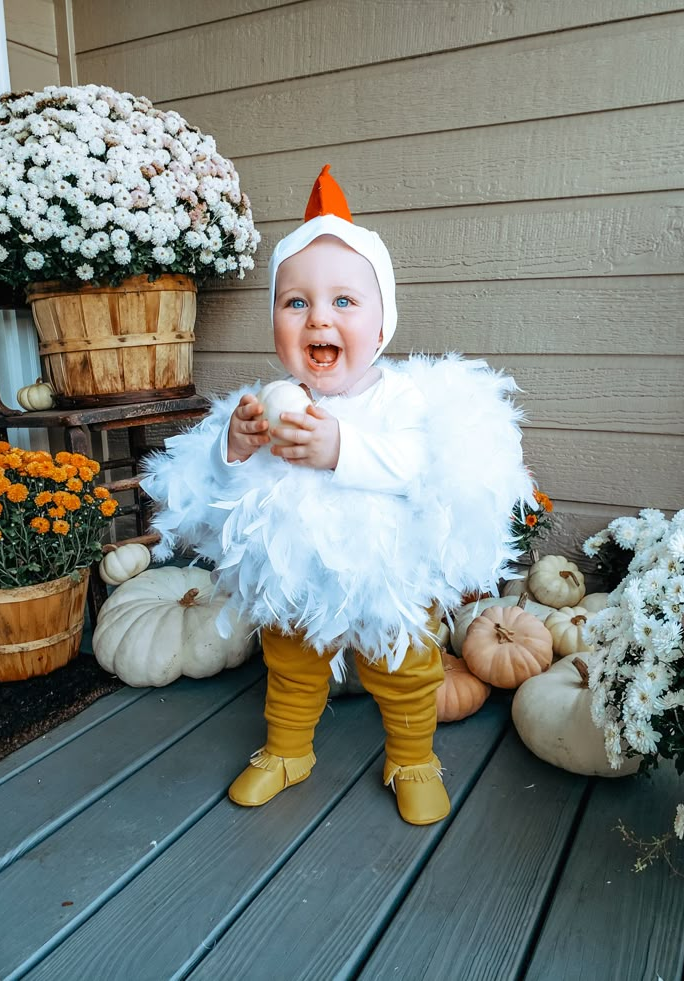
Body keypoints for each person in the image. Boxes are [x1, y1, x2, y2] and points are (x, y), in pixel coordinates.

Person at [141, 165, 534, 826]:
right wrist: (233, 448)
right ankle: (288, 748)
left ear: (382, 325)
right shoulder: (270, 401)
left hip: (386, 570)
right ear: (276, 324)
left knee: (404, 667)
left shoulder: (398, 397)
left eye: (344, 302)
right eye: (296, 302)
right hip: (297, 569)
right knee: (290, 661)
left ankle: (411, 756)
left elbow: (414, 464)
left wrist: (339, 449)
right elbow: (231, 497)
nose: (318, 316)